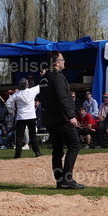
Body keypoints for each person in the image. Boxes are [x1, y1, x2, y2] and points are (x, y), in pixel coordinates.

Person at [38, 52, 84, 188]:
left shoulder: (44, 78)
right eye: (63, 60)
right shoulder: (57, 77)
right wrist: (71, 116)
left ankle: (60, 181)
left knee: (57, 150)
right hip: (61, 118)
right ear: (56, 62)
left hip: (49, 119)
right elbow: (62, 97)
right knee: (74, 145)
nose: (64, 62)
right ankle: (67, 179)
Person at [8, 79, 42, 159]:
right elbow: (40, 85)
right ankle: (37, 152)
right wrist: (43, 75)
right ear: (27, 85)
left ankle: (17, 155)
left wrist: (12, 110)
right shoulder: (32, 91)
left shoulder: (17, 94)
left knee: (19, 136)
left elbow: (9, 102)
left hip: (21, 117)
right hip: (31, 116)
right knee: (33, 135)